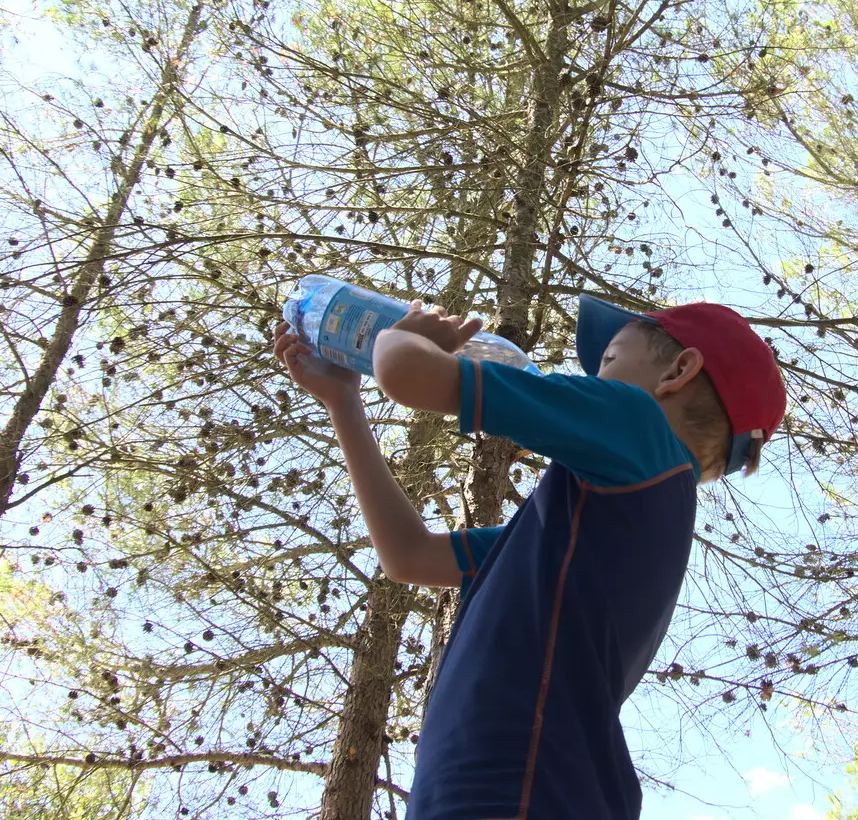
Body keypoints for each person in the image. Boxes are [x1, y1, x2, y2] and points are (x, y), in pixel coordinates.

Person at [272, 292, 786, 820]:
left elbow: (403, 369)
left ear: (678, 371)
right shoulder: (584, 529)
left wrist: (404, 336)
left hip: (515, 794)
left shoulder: (640, 428)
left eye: (608, 360)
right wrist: (344, 403)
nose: (594, 378)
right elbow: (410, 556)